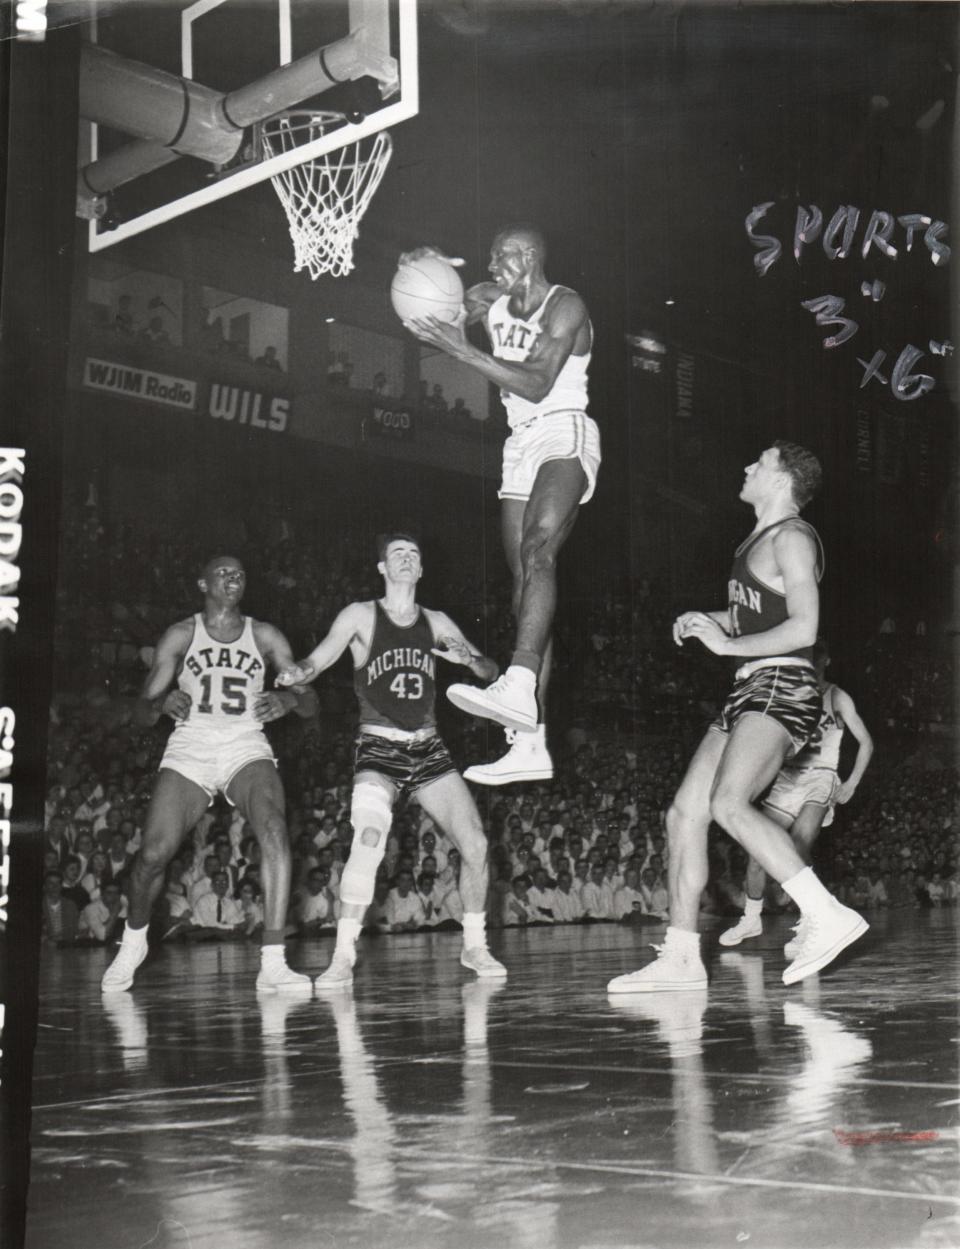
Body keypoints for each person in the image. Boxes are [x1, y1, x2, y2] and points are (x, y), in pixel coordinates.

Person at [607, 442, 868, 994]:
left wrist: (725, 646)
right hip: (750, 688)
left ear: (782, 480)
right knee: (684, 814)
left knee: (728, 802)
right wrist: (712, 619)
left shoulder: (792, 537)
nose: (747, 467)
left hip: (783, 686)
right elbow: (756, 614)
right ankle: (680, 956)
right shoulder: (755, 542)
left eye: (760, 463)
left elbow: (804, 628)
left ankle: (826, 913)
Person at [401, 225, 601, 786]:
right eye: (490, 256)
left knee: (539, 550)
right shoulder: (487, 298)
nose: (493, 263)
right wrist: (422, 274)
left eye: (503, 254)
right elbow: (428, 327)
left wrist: (463, 349)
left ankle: (518, 682)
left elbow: (539, 383)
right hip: (519, 441)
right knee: (522, 594)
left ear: (531, 255)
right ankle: (528, 742)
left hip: (564, 429)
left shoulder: (566, 305)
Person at [277, 533, 507, 986]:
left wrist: (470, 659)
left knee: (476, 844)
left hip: (428, 747)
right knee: (368, 839)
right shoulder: (361, 615)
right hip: (380, 746)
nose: (406, 559)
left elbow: (490, 672)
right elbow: (318, 660)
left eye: (414, 554)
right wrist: (297, 672)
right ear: (382, 567)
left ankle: (475, 947)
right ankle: (342, 957)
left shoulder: (437, 620)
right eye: (397, 553)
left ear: (421, 570)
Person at [101, 555, 317, 995]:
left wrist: (289, 702)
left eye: (240, 572)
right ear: (202, 583)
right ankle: (134, 942)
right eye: (223, 572)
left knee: (275, 828)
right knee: (152, 856)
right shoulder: (182, 634)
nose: (233, 578)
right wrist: (161, 705)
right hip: (192, 746)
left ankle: (273, 962)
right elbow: (141, 712)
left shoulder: (265, 635)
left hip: (245, 744)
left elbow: (311, 702)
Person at [720, 641, 874, 952]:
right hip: (788, 778)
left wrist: (853, 782)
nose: (807, 663)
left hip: (822, 775)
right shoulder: (786, 694)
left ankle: (812, 921)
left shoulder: (837, 695)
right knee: (756, 852)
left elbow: (866, 742)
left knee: (800, 843)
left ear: (825, 660)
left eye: (813, 658)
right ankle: (751, 917)